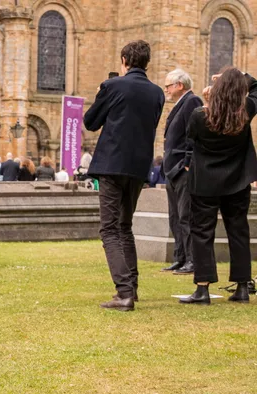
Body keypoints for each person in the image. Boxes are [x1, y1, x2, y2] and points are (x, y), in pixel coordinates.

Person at [83, 40, 165, 311]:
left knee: (109, 228)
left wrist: (101, 95)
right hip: (138, 167)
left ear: (124, 60)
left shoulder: (113, 85)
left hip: (111, 164)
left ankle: (124, 293)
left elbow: (90, 122)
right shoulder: (157, 93)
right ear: (146, 63)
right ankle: (133, 289)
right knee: (124, 226)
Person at [179, 68, 256, 305]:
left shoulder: (199, 116)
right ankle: (242, 287)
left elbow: (191, 137)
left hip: (204, 183)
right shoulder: (246, 112)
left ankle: (202, 288)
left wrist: (210, 98)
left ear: (215, 92)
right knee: (239, 232)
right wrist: (241, 75)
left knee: (202, 233)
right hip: (237, 181)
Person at [162, 68, 204, 275]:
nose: (166, 90)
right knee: (175, 215)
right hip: (172, 170)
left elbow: (193, 134)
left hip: (182, 169)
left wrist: (186, 163)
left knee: (186, 215)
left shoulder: (192, 102)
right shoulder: (180, 104)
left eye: (168, 85)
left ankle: (191, 260)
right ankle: (180, 257)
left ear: (180, 85)